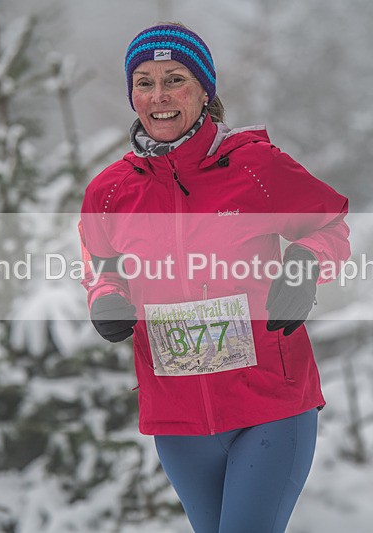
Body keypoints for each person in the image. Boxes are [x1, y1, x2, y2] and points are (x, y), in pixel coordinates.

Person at [79, 22, 350, 533]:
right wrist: (107, 295)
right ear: (131, 94)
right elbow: (102, 263)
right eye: (144, 82)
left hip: (271, 404)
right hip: (179, 420)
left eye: (175, 78)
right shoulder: (109, 193)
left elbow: (329, 226)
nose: (159, 96)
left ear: (204, 89)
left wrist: (306, 264)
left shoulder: (253, 167)